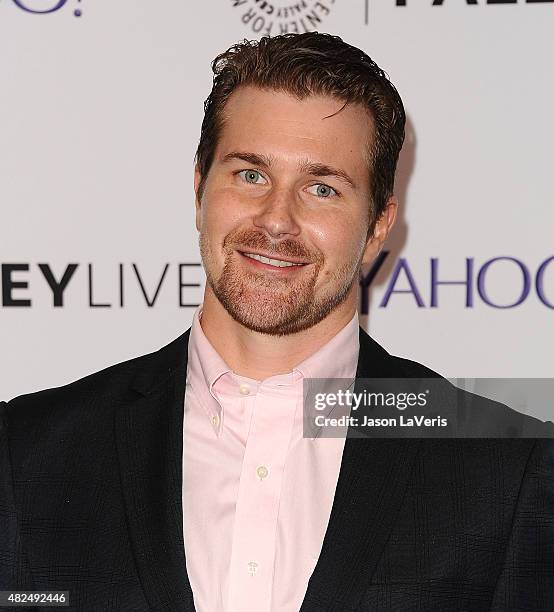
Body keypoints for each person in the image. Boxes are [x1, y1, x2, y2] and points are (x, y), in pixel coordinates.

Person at [1, 32, 553, 612]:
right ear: (199, 188)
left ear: (380, 225)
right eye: (250, 175)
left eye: (321, 188)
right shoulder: (31, 452)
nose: (277, 220)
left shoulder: (505, 469)